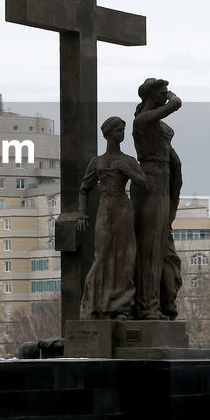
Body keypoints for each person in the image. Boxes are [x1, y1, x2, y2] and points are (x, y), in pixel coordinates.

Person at [76, 117, 147, 320]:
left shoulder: (128, 160)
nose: (122, 133)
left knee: (125, 257)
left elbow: (144, 184)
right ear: (108, 133)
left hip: (123, 210)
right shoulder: (98, 161)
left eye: (123, 129)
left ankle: (121, 307)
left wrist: (129, 172)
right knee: (103, 255)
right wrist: (82, 213)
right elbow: (84, 188)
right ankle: (94, 304)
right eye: (118, 129)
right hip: (105, 209)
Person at [132, 78, 183, 320]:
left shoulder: (155, 122)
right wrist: (172, 97)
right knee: (150, 248)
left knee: (164, 249)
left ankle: (164, 303)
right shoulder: (142, 120)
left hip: (163, 183)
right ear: (151, 94)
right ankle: (147, 306)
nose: (167, 93)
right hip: (150, 183)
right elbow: (176, 104)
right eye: (162, 90)